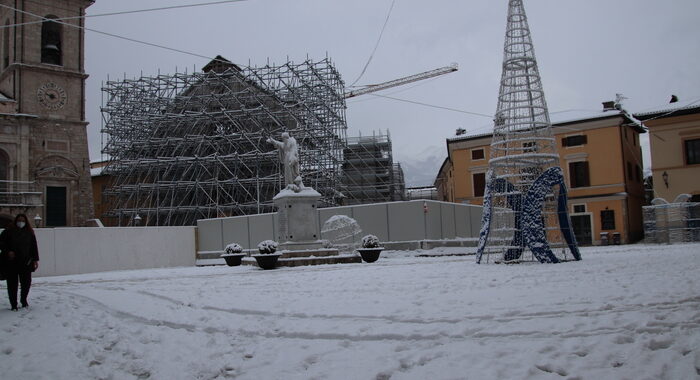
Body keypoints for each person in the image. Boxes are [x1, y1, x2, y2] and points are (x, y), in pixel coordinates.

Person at [0, 214, 39, 311]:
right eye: (19, 220)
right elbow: (1, 243)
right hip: (11, 262)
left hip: (26, 262)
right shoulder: (8, 232)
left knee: (26, 283)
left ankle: (23, 299)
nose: (21, 222)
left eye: (23, 220)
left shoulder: (29, 233)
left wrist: (35, 259)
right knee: (12, 284)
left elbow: (33, 247)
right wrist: (8, 251)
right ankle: (13, 304)